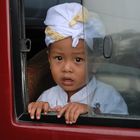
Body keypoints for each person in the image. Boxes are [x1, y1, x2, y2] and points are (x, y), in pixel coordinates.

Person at [28, 2, 128, 124]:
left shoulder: (109, 97)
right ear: (49, 60)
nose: (67, 68)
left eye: (78, 60)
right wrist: (37, 111)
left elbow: (119, 131)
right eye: (59, 58)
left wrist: (91, 112)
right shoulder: (47, 97)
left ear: (95, 63)